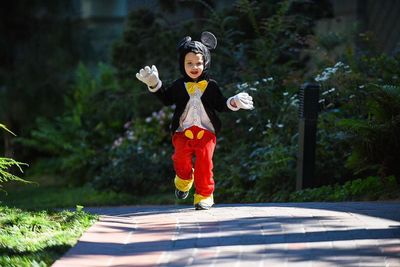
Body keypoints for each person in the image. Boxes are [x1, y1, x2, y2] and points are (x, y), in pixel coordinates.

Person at [136, 32, 253, 210]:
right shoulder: (178, 85)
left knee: (205, 162)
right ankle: (183, 180)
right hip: (182, 132)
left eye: (199, 62)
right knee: (180, 159)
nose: (194, 67)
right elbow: (166, 99)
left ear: (206, 63)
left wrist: (234, 101)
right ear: (182, 64)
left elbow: (221, 105)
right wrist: (154, 84)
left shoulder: (211, 86)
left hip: (206, 133)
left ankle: (204, 195)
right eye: (189, 63)